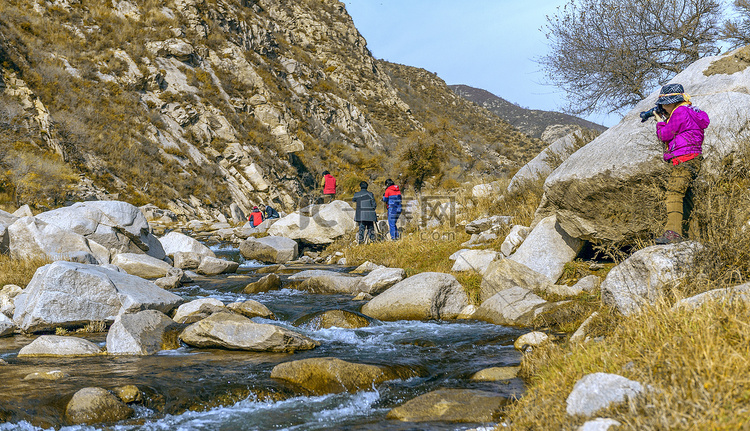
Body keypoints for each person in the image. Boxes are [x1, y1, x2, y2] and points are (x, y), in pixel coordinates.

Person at [652, 83, 710, 244]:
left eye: (664, 104)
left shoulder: (679, 112)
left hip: (683, 159)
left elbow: (665, 135)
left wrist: (659, 121)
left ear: (671, 102)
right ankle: (693, 236)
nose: (663, 108)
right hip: (695, 158)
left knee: (674, 194)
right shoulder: (693, 112)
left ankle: (673, 233)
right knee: (688, 198)